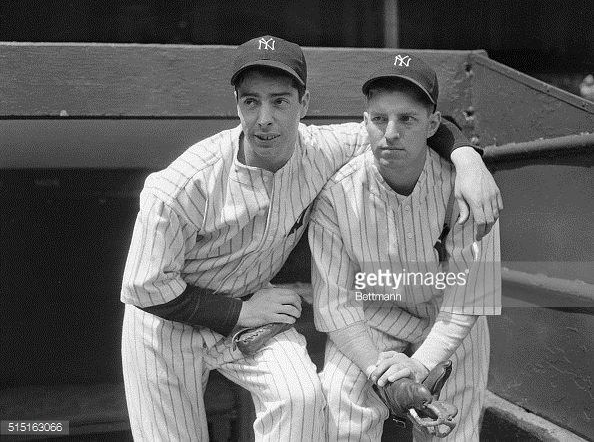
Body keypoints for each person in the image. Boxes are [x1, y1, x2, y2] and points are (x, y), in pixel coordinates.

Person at [120, 36, 502, 442]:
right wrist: (239, 313)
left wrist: (468, 158)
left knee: (301, 400)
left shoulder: (330, 148)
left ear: (304, 105)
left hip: (259, 304)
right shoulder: (180, 186)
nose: (264, 118)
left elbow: (409, 126)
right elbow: (144, 288)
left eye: (280, 101)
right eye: (251, 102)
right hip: (169, 322)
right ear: (236, 104)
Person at [308, 53, 501, 441]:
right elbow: (336, 304)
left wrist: (420, 365)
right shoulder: (336, 194)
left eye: (407, 119)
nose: (390, 132)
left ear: (432, 125)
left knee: (453, 430)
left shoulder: (467, 188)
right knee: (343, 412)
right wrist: (382, 371)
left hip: (446, 318)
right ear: (365, 122)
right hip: (373, 317)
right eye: (379, 119)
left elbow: (470, 299)